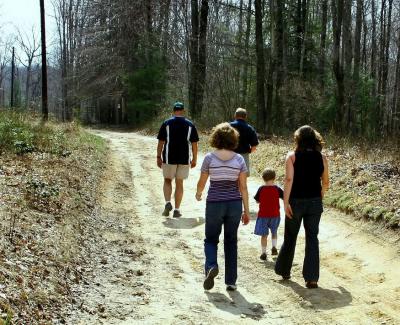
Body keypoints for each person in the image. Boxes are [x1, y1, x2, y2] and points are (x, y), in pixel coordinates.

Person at [196, 123, 250, 292]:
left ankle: (211, 265)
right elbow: (243, 187)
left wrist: (198, 193)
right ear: (234, 140)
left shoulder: (209, 158)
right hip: (234, 204)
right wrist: (246, 210)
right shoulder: (239, 159)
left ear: (216, 138)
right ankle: (231, 281)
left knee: (211, 239)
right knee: (231, 242)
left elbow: (202, 181)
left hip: (214, 204)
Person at [275, 125, 329, 289]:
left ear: (298, 139)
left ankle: (284, 270)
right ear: (314, 139)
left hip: (295, 201)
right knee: (312, 238)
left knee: (291, 235)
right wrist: (321, 194)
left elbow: (289, 180)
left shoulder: (292, 156)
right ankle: (312, 278)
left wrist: (285, 203)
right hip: (314, 202)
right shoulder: (322, 157)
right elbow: (326, 182)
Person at [157, 102, 199, 218]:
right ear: (183, 111)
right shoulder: (190, 125)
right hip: (184, 158)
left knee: (167, 180)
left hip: (168, 157)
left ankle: (167, 203)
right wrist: (194, 158)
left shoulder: (166, 123)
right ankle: (177, 210)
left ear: (173, 111)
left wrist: (158, 156)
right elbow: (194, 144)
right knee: (179, 183)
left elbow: (161, 142)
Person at [254, 168, 283, 261]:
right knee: (274, 232)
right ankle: (274, 247)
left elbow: (257, 200)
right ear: (274, 178)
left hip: (263, 215)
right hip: (275, 215)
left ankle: (263, 253)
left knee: (264, 235)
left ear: (263, 178)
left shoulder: (261, 189)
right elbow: (284, 197)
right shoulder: (277, 189)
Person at [229, 108, 259, 175]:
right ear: (245, 117)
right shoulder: (249, 128)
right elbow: (254, 146)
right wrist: (248, 151)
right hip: (244, 156)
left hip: (229, 155)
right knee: (243, 178)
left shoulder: (229, 126)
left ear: (235, 115)